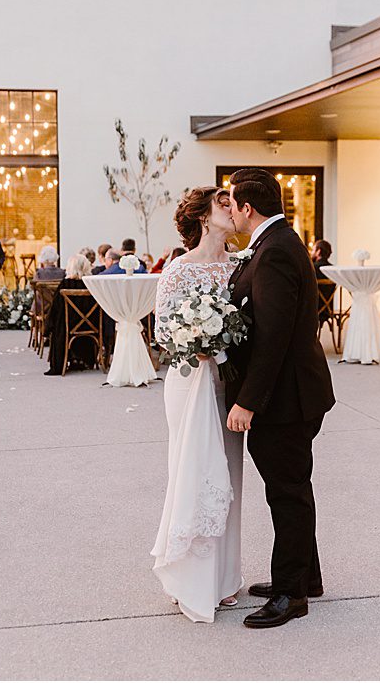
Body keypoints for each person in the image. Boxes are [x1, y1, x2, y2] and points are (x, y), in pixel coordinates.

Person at [220, 168, 336, 629]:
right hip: (292, 393)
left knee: (286, 493)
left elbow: (274, 337)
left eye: (233, 204)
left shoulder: (275, 252)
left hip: (286, 400)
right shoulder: (277, 244)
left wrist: (248, 401)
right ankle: (305, 577)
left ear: (249, 208)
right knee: (292, 488)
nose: (230, 211)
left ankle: (291, 592)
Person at [149, 186, 246, 623]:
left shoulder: (241, 267)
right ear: (204, 218)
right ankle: (187, 572)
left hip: (230, 387)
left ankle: (224, 579)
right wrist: (197, 340)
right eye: (223, 204)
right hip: (189, 383)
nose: (232, 208)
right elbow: (163, 333)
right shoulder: (177, 271)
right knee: (191, 472)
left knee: (230, 479)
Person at [310, 239, 335, 320]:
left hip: (313, 309)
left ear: (318, 251)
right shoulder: (333, 270)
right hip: (328, 310)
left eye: (313, 250)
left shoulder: (312, 268)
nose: (311, 252)